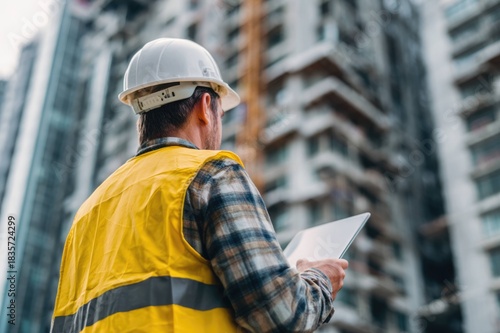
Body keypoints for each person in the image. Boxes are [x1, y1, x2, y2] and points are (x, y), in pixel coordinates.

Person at [51, 38, 348, 333]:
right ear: (206, 107)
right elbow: (284, 315)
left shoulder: (86, 214)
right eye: (221, 113)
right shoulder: (211, 175)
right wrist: (319, 279)